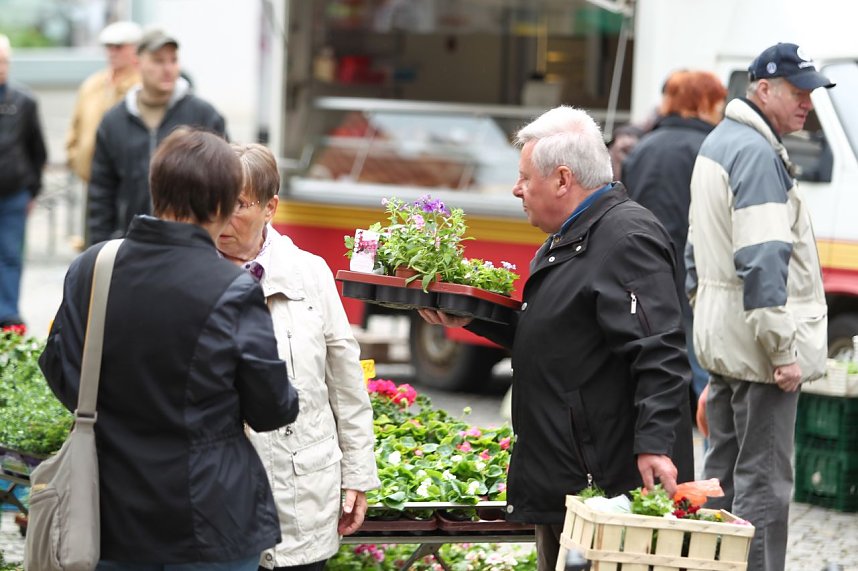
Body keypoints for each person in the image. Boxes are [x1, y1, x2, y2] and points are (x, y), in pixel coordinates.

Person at [419, 106, 694, 571]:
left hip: (609, 489)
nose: (516, 188)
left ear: (563, 179)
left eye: (525, 176)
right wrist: (469, 318)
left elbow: (660, 352)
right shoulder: (570, 236)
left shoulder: (627, 237)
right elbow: (557, 333)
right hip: (569, 479)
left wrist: (655, 445)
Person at [39, 128, 299, 569]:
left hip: (105, 510)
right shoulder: (232, 289)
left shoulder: (94, 266)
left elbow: (61, 371)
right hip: (207, 518)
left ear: (156, 189)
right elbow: (271, 407)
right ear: (219, 204)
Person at [686, 43, 831, 571]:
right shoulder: (756, 154)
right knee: (765, 482)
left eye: (811, 93)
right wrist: (782, 350)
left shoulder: (719, 144)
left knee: (720, 472)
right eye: (798, 92)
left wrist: (707, 314)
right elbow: (763, 261)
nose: (808, 104)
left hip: (724, 340)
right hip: (759, 351)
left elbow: (693, 252)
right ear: (763, 90)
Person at [217, 143, 380, 571]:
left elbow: (345, 381)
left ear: (270, 207)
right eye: (214, 203)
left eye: (239, 205)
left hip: (300, 493)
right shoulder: (195, 274)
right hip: (216, 499)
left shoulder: (310, 273)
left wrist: (358, 475)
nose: (222, 218)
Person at [623, 70, 727, 406]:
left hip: (640, 269)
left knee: (650, 360)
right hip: (696, 272)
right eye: (718, 101)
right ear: (703, 103)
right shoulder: (710, 148)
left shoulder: (643, 148)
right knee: (703, 366)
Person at [87, 27, 226, 245]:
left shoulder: (203, 115)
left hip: (190, 246)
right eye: (158, 61)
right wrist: (99, 248)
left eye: (173, 60)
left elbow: (226, 181)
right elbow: (100, 193)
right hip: (132, 245)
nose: (168, 69)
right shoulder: (114, 122)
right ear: (137, 63)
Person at [0, 34, 47, 334]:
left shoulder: (24, 101)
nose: (1, 67)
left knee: (10, 255)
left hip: (14, 194)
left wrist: (32, 189)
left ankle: (8, 317)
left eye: (5, 61)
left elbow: (37, 150)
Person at [66, 21, 142, 184]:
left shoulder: (141, 87)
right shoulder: (92, 85)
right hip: (89, 179)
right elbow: (76, 127)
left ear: (136, 50)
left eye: (119, 47)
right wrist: (76, 158)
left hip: (128, 183)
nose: (112, 52)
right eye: (108, 47)